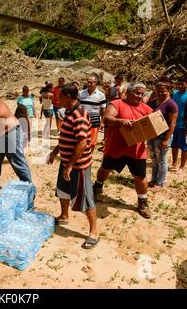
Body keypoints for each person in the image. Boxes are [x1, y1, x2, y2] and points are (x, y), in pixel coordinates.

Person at [47, 83, 98, 249]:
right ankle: (64, 215)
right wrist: (55, 152)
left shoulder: (80, 115)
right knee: (63, 190)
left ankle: (93, 233)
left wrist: (69, 166)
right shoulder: (68, 111)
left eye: (60, 96)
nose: (57, 99)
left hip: (78, 165)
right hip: (67, 161)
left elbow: (82, 143)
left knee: (85, 197)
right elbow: (65, 136)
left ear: (69, 97)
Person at [93, 82, 154, 219]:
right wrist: (121, 122)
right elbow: (107, 119)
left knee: (140, 177)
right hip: (116, 146)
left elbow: (153, 126)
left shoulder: (146, 109)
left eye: (142, 94)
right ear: (129, 92)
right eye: (137, 93)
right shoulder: (117, 104)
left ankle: (142, 201)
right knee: (105, 170)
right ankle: (97, 186)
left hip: (136, 150)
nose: (140, 96)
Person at [147, 80, 178, 188]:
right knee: (154, 159)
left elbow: (172, 124)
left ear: (169, 91)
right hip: (152, 136)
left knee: (161, 160)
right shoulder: (154, 101)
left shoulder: (171, 105)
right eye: (158, 91)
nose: (160, 93)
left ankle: (160, 182)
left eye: (163, 91)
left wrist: (166, 139)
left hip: (163, 137)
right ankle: (153, 180)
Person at [79, 76, 106, 153]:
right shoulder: (81, 93)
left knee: (92, 141)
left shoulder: (101, 95)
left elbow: (103, 109)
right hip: (82, 120)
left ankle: (90, 155)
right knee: (82, 138)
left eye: (91, 82)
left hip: (94, 121)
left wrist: (102, 122)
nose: (89, 84)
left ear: (96, 83)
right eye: (88, 82)